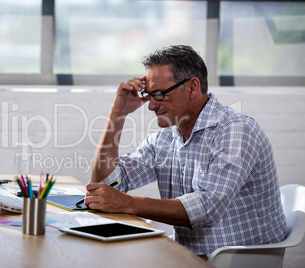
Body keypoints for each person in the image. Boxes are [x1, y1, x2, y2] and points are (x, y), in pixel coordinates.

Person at [84, 45, 286, 257]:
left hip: (234, 260)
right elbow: (107, 184)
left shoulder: (236, 131)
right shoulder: (167, 136)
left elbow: (206, 208)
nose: (151, 106)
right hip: (187, 254)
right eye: (149, 95)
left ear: (192, 87)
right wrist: (118, 113)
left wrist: (127, 204)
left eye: (159, 94)